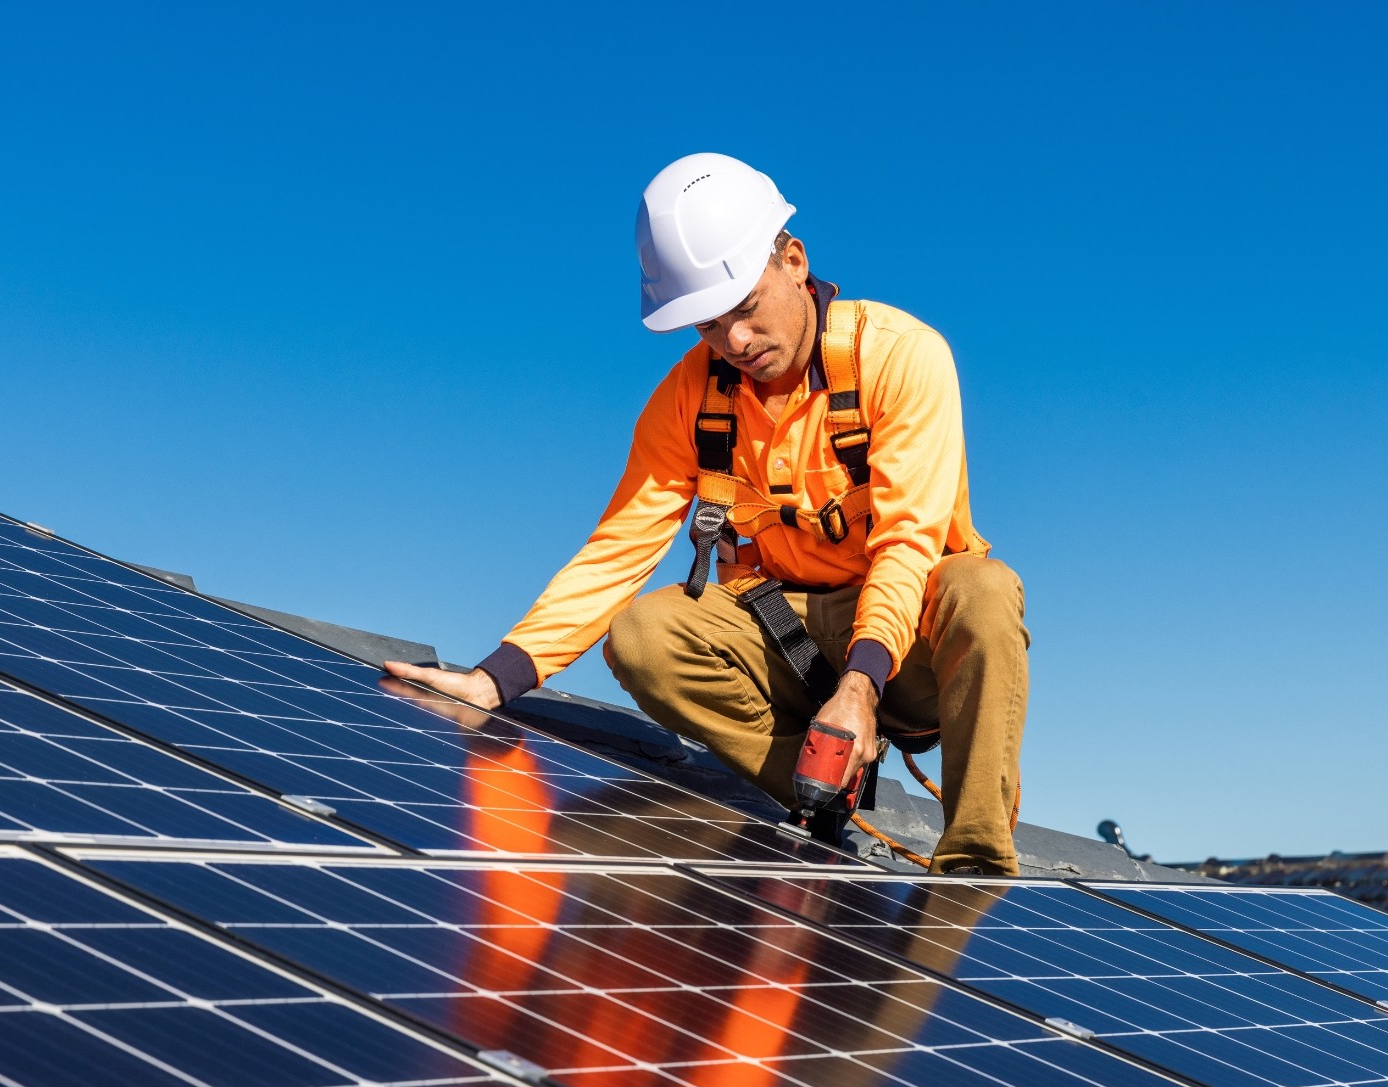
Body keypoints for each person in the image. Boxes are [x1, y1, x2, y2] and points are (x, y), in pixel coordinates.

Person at [385, 152, 1028, 875]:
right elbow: (622, 543)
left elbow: (910, 541)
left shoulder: (902, 358)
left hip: (908, 655)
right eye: (707, 326)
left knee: (983, 589)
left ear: (793, 259)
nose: (735, 343)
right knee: (643, 635)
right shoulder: (690, 398)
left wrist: (860, 686)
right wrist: (495, 679)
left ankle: (973, 859)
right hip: (783, 643)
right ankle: (821, 792)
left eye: (746, 310)